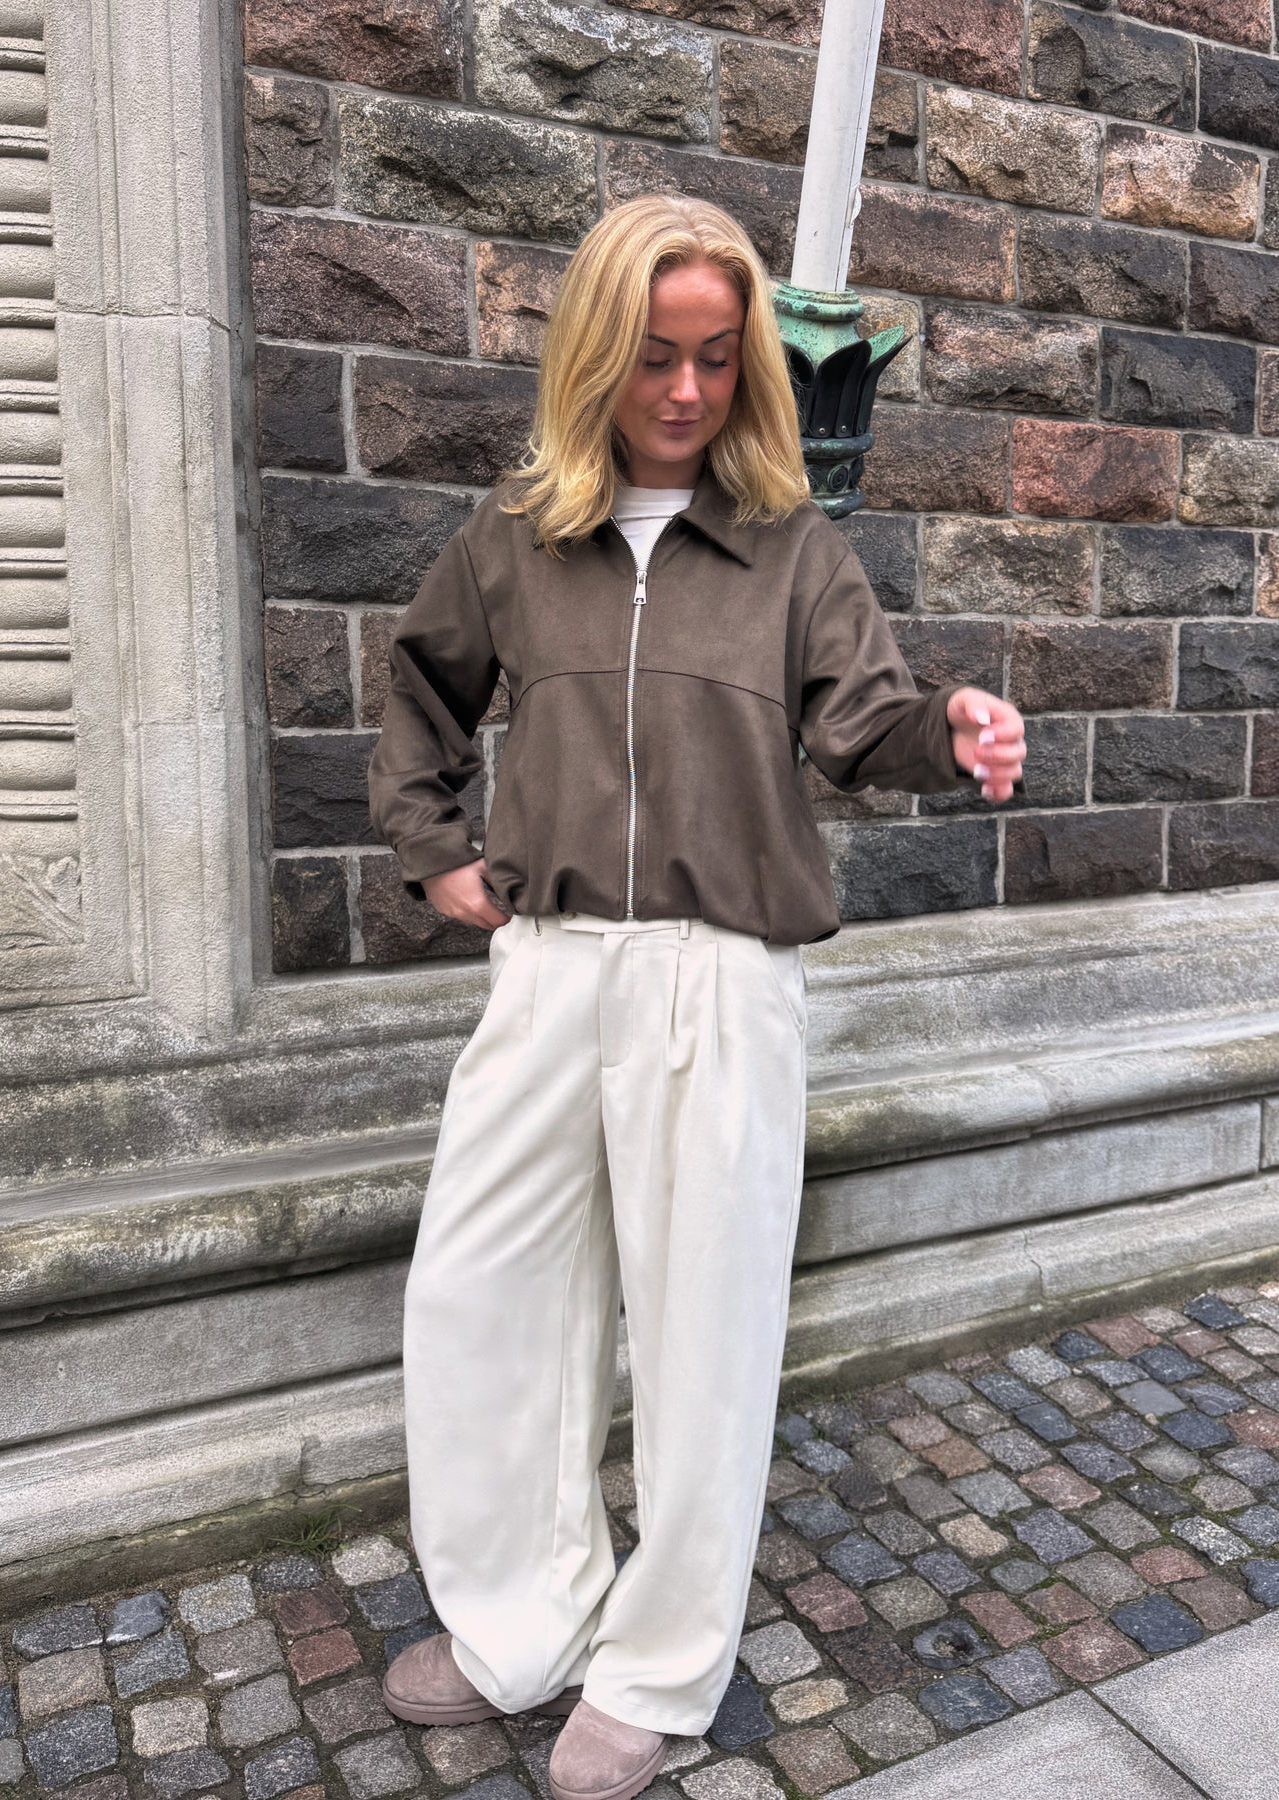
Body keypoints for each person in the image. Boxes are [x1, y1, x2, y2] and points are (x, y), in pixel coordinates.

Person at [367, 193, 1026, 1800]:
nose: (682, 390)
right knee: (482, 1301)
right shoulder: (515, 539)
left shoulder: (793, 551)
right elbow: (421, 686)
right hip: (550, 968)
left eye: (716, 358)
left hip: (720, 977)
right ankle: (518, 1620)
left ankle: (657, 1667)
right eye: (653, 355)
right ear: (596, 355)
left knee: (698, 1337)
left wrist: (950, 728)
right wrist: (434, 849)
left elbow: (862, 726)